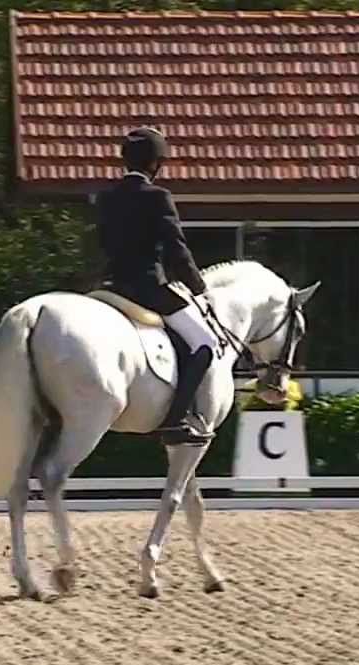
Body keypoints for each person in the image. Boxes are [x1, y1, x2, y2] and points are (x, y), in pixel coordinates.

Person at [95, 127, 217, 445]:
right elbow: (176, 248)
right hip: (147, 288)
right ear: (156, 164)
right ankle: (174, 421)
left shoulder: (105, 197)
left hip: (110, 287)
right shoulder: (157, 197)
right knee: (205, 342)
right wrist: (199, 287)